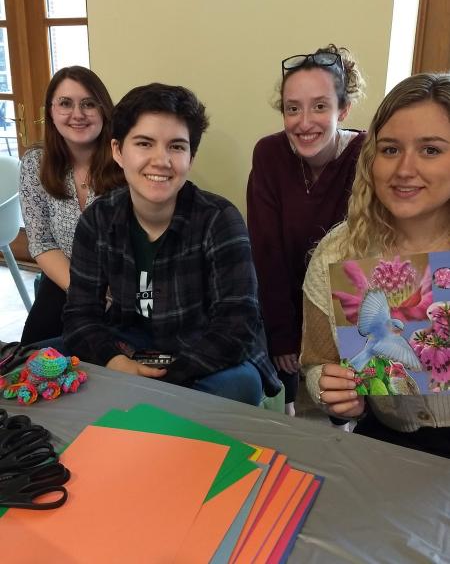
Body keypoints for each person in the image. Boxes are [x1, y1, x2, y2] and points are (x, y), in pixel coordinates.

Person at [62, 83, 281, 405]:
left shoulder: (219, 219)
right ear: (118, 151)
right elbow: (80, 315)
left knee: (241, 386)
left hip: (199, 347)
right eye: (144, 143)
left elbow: (238, 323)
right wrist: (116, 362)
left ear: (190, 157)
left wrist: (169, 378)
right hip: (129, 342)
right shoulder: (98, 220)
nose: (160, 160)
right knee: (41, 357)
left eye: (176, 147)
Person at [301, 72, 450, 457]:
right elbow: (318, 364)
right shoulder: (338, 252)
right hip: (387, 440)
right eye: (389, 150)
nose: (404, 169)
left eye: (431, 150)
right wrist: (329, 390)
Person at [247, 44, 365, 416]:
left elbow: (364, 255)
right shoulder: (269, 154)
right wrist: (283, 335)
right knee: (290, 408)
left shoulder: (368, 156)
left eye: (320, 106)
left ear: (343, 109)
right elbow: (267, 251)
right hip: (280, 309)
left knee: (344, 411)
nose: (304, 121)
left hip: (352, 315)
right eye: (292, 108)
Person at [19, 65, 124, 344]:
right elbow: (41, 243)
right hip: (65, 279)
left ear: (104, 111)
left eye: (89, 103)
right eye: (65, 103)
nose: (77, 114)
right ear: (51, 112)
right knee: (32, 359)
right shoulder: (34, 164)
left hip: (125, 287)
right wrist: (86, 294)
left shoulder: (128, 161)